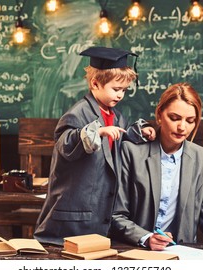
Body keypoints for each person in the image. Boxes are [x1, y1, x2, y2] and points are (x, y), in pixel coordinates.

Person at [34, 46, 156, 245]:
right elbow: (65, 143)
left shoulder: (115, 115)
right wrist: (96, 131)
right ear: (95, 83)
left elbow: (120, 138)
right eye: (116, 89)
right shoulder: (78, 113)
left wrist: (140, 131)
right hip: (74, 215)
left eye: (124, 90)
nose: (120, 95)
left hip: (99, 210)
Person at [110, 82, 203, 256]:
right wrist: (146, 237)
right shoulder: (132, 153)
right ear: (159, 115)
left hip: (182, 256)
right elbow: (116, 215)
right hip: (136, 252)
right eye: (174, 118)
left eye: (190, 121)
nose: (182, 127)